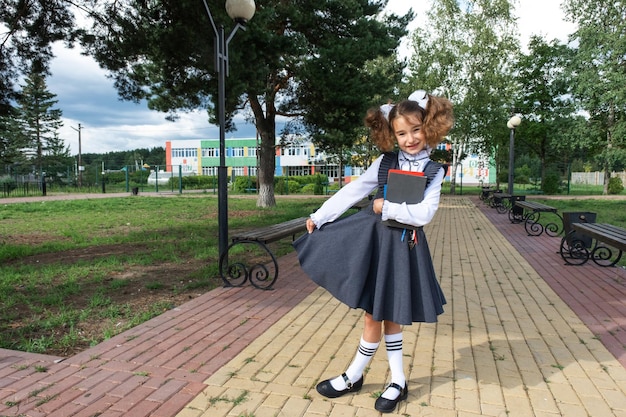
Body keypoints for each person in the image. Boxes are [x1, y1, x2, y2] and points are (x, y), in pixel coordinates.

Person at [293, 89, 454, 413]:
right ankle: (377, 377)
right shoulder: (386, 162)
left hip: (403, 249)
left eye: (415, 130)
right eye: (401, 133)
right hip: (373, 245)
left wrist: (386, 206)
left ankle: (381, 378)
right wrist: (320, 216)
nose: (409, 138)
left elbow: (424, 214)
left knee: (389, 314)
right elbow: (355, 190)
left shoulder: (435, 171)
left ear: (428, 127)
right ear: (392, 134)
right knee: (374, 314)